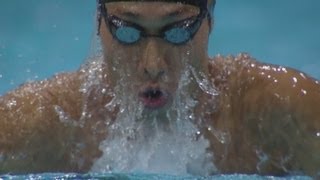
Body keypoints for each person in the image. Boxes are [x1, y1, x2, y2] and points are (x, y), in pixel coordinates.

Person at [0, 0, 319, 177]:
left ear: (210, 18)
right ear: (100, 21)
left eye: (177, 31)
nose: (153, 63)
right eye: (127, 32)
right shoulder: (43, 124)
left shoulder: (282, 113)